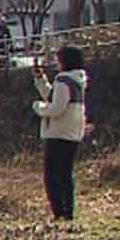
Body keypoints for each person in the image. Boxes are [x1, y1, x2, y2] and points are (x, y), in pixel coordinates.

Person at [32, 45, 89, 222]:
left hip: (58, 132)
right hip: (73, 131)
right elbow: (53, 96)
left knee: (52, 176)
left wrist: (39, 108)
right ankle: (68, 211)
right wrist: (40, 79)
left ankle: (59, 212)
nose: (56, 62)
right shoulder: (77, 80)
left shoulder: (63, 80)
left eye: (58, 59)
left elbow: (56, 108)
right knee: (65, 173)